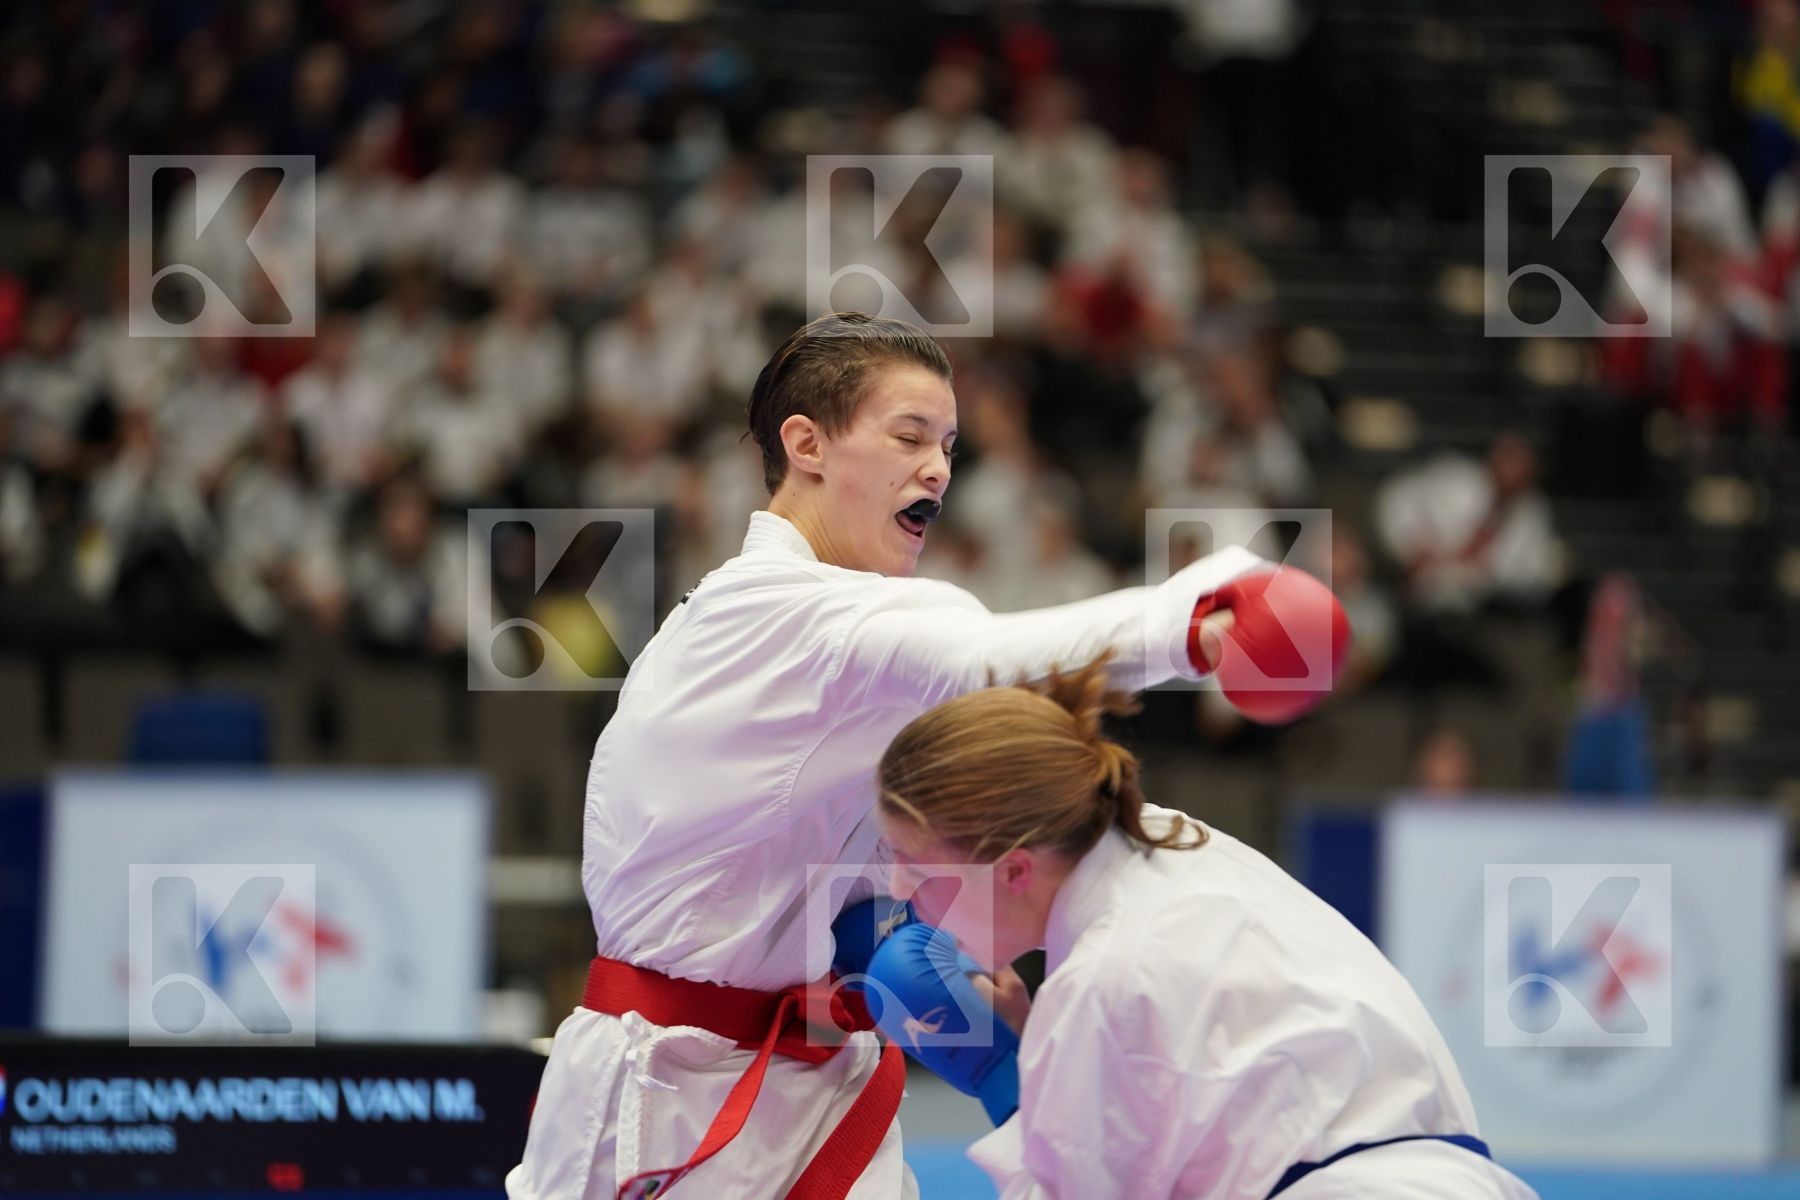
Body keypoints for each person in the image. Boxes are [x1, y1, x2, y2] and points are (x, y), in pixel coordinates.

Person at [506, 312, 1338, 1200]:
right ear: (807, 444)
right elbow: (987, 658)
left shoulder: (841, 644)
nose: (938, 467)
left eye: (947, 444)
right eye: (909, 437)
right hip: (667, 1109)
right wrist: (1201, 623)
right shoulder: (781, 611)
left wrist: (978, 1042)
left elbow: (837, 908)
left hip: (821, 1086)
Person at [871, 657, 1540, 1199]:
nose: (899, 888)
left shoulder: (1104, 980)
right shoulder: (1174, 841)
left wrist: (1004, 1074)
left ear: (1014, 870)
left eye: (915, 864)